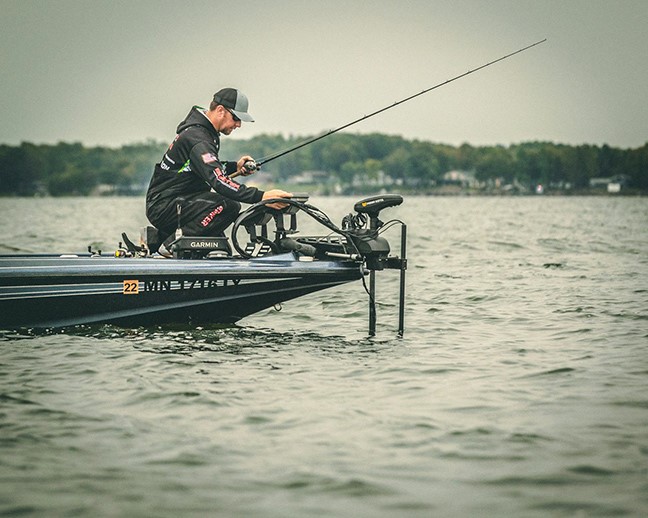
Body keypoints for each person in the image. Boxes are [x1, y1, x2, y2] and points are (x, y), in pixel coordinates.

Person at [145, 87, 291, 256]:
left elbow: (204, 167)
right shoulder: (198, 139)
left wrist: (234, 167)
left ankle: (160, 241)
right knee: (228, 205)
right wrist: (262, 197)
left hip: (180, 202)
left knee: (222, 248)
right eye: (236, 118)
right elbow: (218, 181)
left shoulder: (203, 133)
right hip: (164, 206)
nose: (238, 124)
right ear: (221, 110)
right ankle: (172, 245)